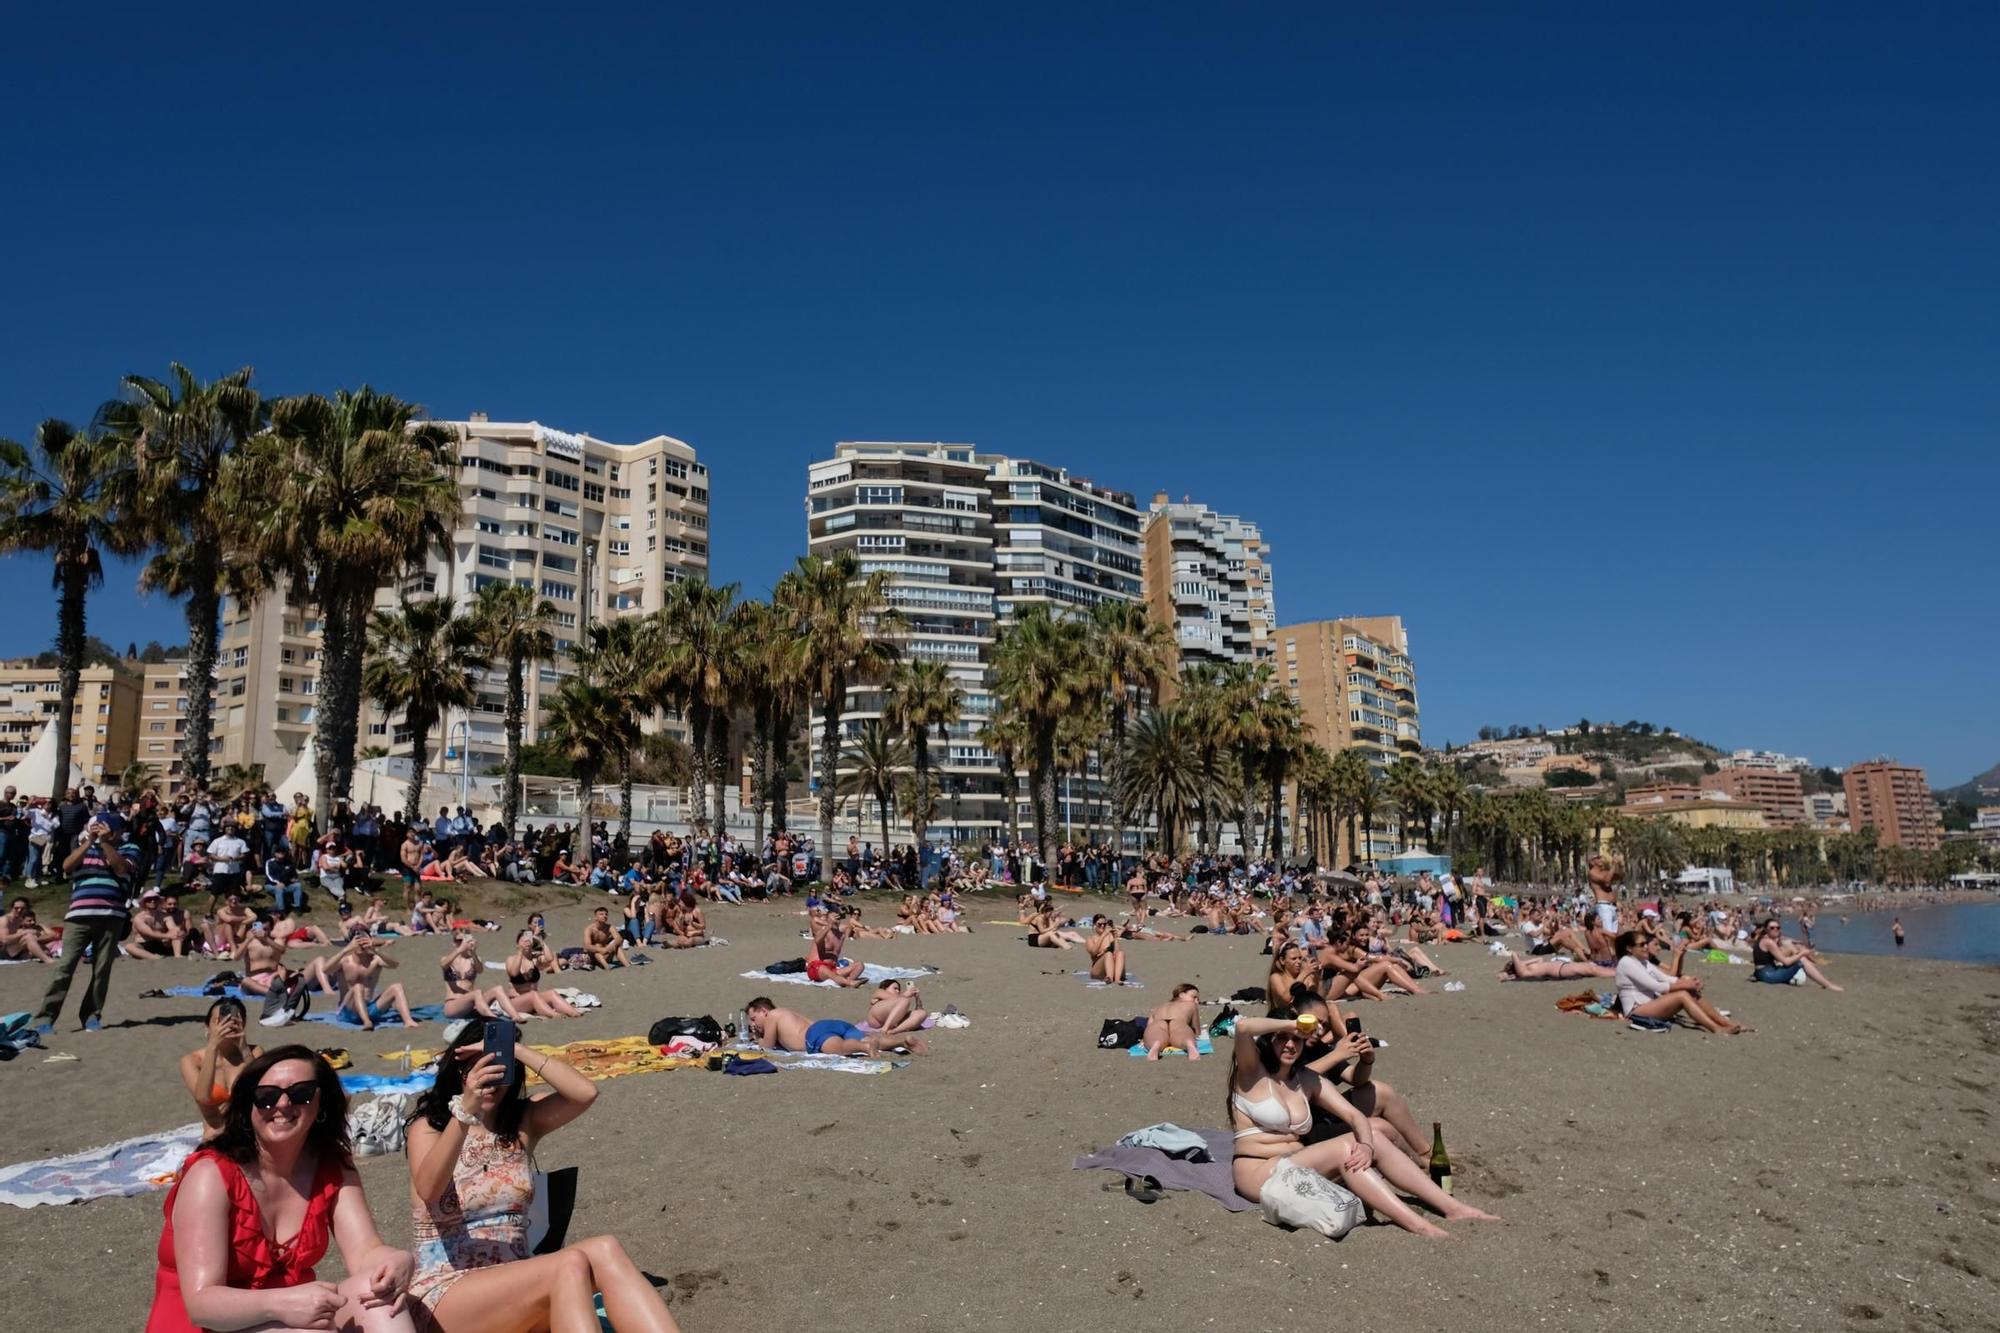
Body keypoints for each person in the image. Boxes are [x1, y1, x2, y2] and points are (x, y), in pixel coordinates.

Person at [402, 1016, 679, 1331]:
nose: (490, 1078)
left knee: (605, 1248)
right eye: (479, 1068)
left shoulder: (522, 1123)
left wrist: (517, 1049)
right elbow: (429, 1189)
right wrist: (465, 1111)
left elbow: (584, 1092)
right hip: (448, 1289)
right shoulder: (430, 1127)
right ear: (459, 1071)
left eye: (499, 1067)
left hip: (519, 1280)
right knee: (568, 1263)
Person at [146, 1046, 418, 1332]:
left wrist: (397, 1260)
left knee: (379, 1297)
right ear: (248, 1105)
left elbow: (364, 1252)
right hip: (207, 1324)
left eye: (300, 1093)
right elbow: (202, 1303)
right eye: (266, 1097)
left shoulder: (330, 1164)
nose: (283, 1104)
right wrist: (282, 1303)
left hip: (290, 1314)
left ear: (321, 1103)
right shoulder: (210, 1175)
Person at [1227, 1009, 1497, 1238]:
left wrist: (1367, 1146)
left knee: (1369, 1139)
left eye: (1297, 1039)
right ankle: (1417, 1224)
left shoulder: (1305, 1079)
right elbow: (1243, 1026)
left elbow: (1355, 1116)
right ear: (1268, 1042)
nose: (1290, 1045)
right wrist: (1294, 1024)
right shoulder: (1252, 1073)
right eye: (1282, 1039)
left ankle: (1451, 1207)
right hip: (1258, 1173)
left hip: (1297, 1166)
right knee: (1347, 1148)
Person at [32, 814, 132, 1034]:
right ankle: (45, 1018)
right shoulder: (84, 849)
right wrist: (89, 841)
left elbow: (122, 868)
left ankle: (91, 1015)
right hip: (78, 917)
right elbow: (67, 866)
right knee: (64, 967)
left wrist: (105, 843)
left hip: (111, 916)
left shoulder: (128, 848)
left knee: (101, 969)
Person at [1614, 930, 1748, 1034]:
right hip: (1636, 1010)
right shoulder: (1626, 963)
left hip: (1651, 1003)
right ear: (1629, 948)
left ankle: (1724, 1023)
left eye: (1645, 944)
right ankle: (1715, 1028)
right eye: (1641, 945)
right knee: (1682, 995)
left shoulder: (1643, 962)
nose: (1645, 947)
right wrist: (1684, 984)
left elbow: (1666, 978)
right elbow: (1656, 986)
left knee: (1688, 990)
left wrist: (1690, 981)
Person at [745, 995, 928, 1057]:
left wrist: (757, 1038)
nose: (755, 1024)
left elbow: (767, 1047)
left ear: (763, 1011)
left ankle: (864, 1047)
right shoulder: (789, 1013)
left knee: (841, 1047)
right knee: (865, 1038)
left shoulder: (772, 1017)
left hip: (813, 1035)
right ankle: (902, 1042)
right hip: (830, 1024)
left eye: (754, 1018)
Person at [179, 998, 262, 1132]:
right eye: (219, 1021)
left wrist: (243, 1048)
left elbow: (261, 1090)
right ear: (207, 1027)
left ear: (243, 1023)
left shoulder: (253, 1052)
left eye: (232, 1020)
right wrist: (213, 1046)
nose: (226, 1025)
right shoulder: (192, 1060)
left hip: (250, 1130)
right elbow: (203, 1097)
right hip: (216, 1134)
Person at [334, 935, 418, 1031]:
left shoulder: (375, 959)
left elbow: (395, 965)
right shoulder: (345, 960)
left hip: (369, 1008)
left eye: (364, 942)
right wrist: (345, 949)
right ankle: (367, 1022)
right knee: (358, 987)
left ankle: (408, 1021)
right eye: (358, 942)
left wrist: (376, 950)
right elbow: (325, 970)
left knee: (397, 987)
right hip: (348, 1011)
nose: (361, 945)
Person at [440, 931, 522, 1020]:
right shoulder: (447, 959)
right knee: (476, 993)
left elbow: (480, 970)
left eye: (465, 940)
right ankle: (492, 1018)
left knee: (498, 989)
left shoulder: (475, 959)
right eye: (459, 940)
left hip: (472, 1005)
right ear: (454, 943)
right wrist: (460, 949)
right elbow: (443, 964)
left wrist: (473, 953)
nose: (463, 943)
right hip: (453, 1004)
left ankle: (515, 1016)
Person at [502, 929, 580, 1019]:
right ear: (517, 943)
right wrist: (520, 951)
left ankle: (574, 1013)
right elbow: (513, 973)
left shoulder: (535, 959)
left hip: (535, 1000)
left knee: (551, 993)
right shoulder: (511, 959)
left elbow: (550, 958)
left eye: (529, 939)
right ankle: (555, 1015)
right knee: (533, 994)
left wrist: (540, 941)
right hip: (516, 1002)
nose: (526, 942)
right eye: (523, 939)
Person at [1751, 919, 1843, 990]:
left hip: (1762, 973)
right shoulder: (1769, 942)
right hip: (1767, 975)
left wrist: (1796, 952)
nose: (1775, 929)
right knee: (1801, 961)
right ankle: (1828, 985)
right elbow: (1786, 962)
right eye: (1772, 928)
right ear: (1766, 929)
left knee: (1795, 953)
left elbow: (1776, 958)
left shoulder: (1764, 940)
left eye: (1778, 928)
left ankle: (1823, 980)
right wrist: (1802, 953)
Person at [1142, 983, 1204, 1060]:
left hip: (1158, 1023)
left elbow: (1149, 1026)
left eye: (1198, 999)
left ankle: (1155, 1045)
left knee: (1154, 1036)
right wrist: (1194, 1033)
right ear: (1181, 994)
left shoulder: (1158, 1007)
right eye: (1194, 997)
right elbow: (1196, 1029)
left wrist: (1147, 1037)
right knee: (1183, 1036)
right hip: (1178, 1023)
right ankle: (1189, 1044)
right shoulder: (1191, 1005)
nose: (1197, 1001)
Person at [806, 907, 867, 985]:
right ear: (827, 920)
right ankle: (848, 982)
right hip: (816, 967)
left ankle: (846, 981)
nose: (835, 920)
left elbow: (849, 926)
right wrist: (829, 925)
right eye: (833, 918)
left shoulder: (841, 936)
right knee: (824, 969)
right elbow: (817, 940)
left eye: (837, 918)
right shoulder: (823, 932)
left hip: (832, 969)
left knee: (859, 965)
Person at [1, 895, 58, 961]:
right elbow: (4, 940)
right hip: (3, 951)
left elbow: (53, 935)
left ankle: (42, 954)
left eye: (22, 908)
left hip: (14, 948)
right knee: (28, 936)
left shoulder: (18, 920)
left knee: (44, 948)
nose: (19, 910)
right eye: (16, 908)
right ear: (11, 908)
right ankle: (47, 960)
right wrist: (25, 932)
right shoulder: (4, 920)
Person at [1496, 950, 1614, 982]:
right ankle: (1618, 973)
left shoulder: (1526, 968)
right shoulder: (1524, 972)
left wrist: (1524, 962)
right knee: (1591, 969)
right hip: (1560, 970)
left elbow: (1540, 959)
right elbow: (1514, 954)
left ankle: (1617, 971)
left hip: (1563, 966)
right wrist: (1518, 965)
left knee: (1591, 967)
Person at [580, 905, 630, 969]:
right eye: (601, 914)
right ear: (595, 917)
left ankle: (627, 965)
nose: (604, 916)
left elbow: (619, 938)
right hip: (591, 957)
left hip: (605, 955)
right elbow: (587, 946)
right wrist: (602, 950)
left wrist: (610, 947)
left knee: (617, 947)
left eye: (606, 914)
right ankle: (606, 966)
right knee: (597, 946)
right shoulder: (589, 929)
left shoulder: (609, 927)